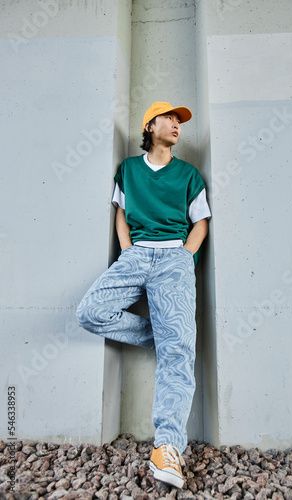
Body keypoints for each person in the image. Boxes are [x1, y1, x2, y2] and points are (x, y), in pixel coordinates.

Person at [75, 101, 212, 489]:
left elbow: (200, 221)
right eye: (169, 118)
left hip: (174, 259)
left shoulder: (189, 174)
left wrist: (186, 256)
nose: (177, 126)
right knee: (91, 311)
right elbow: (120, 211)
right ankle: (168, 337)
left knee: (177, 355)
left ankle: (167, 447)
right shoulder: (129, 170)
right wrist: (127, 249)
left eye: (180, 122)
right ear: (149, 125)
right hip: (136, 255)